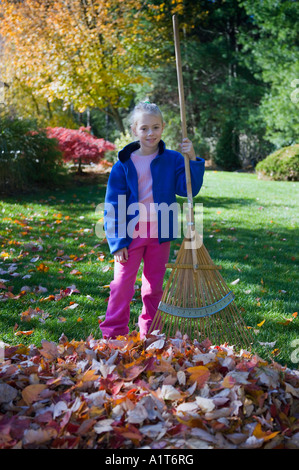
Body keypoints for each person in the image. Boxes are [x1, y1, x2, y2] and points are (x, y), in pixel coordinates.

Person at [99, 101, 205, 339]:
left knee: (153, 287)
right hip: (130, 234)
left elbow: (188, 189)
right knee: (122, 285)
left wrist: (192, 158)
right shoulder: (123, 165)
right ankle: (113, 333)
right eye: (144, 128)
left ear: (163, 127)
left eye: (155, 127)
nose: (150, 133)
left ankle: (151, 331)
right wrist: (117, 242)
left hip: (160, 233)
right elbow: (113, 207)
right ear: (134, 129)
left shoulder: (174, 159)